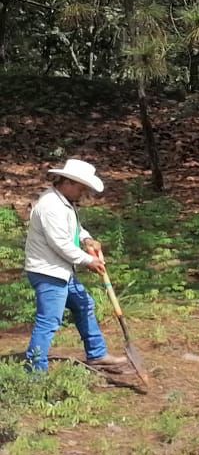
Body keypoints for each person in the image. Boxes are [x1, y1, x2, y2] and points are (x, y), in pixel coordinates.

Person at [23, 158, 132, 379]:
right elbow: (61, 243)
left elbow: (75, 228)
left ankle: (97, 354)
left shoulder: (64, 203)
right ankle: (34, 372)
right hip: (48, 271)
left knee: (84, 304)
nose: (83, 194)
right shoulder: (50, 207)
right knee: (49, 321)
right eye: (82, 189)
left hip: (62, 269)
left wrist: (87, 240)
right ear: (69, 183)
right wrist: (88, 261)